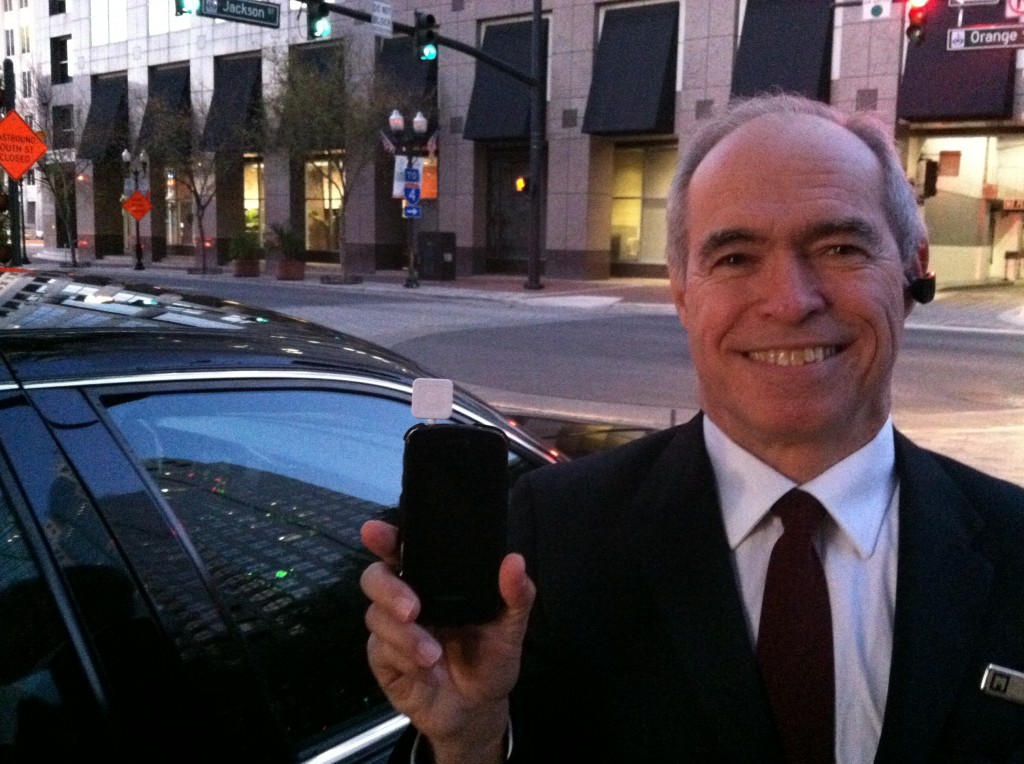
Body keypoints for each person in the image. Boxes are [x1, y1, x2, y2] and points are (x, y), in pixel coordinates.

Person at [360, 93, 1024, 763]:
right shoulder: (549, 539)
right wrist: (470, 743)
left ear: (914, 270)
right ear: (682, 292)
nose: (791, 302)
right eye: (735, 258)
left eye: (841, 247)